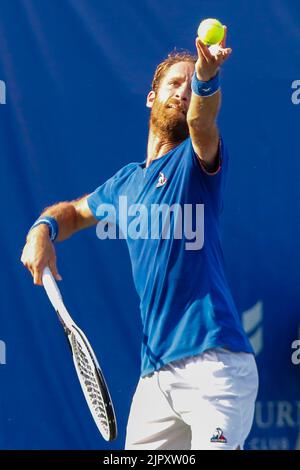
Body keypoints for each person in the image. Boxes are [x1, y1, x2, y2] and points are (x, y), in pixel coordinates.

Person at [21, 28, 258, 450]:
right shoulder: (125, 184)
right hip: (155, 381)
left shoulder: (196, 161)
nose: (184, 91)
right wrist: (43, 228)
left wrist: (206, 77)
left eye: (191, 85)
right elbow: (74, 212)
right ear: (152, 98)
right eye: (176, 83)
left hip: (214, 367)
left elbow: (202, 119)